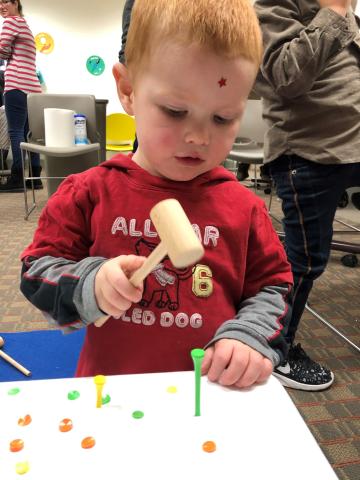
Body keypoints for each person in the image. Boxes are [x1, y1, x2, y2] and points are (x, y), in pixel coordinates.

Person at [20, 0, 293, 388]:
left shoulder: (244, 207)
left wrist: (249, 335)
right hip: (111, 392)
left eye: (223, 118)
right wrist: (91, 283)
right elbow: (36, 272)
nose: (199, 137)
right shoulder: (89, 192)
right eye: (175, 111)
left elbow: (273, 285)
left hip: (208, 397)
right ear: (128, 90)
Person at [254, 0, 360, 390]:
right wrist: (333, 11)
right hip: (308, 153)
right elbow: (286, 76)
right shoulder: (277, 5)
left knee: (306, 256)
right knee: (304, 260)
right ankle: (274, 348)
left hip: (350, 147)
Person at [0, 0, 42, 192]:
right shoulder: (24, 24)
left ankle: (16, 178)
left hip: (16, 84)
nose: (1, 7)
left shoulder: (10, 21)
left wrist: (6, 52)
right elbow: (8, 50)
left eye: (5, 2)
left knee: (15, 132)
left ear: (15, 3)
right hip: (32, 88)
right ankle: (35, 177)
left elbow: (2, 49)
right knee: (28, 134)